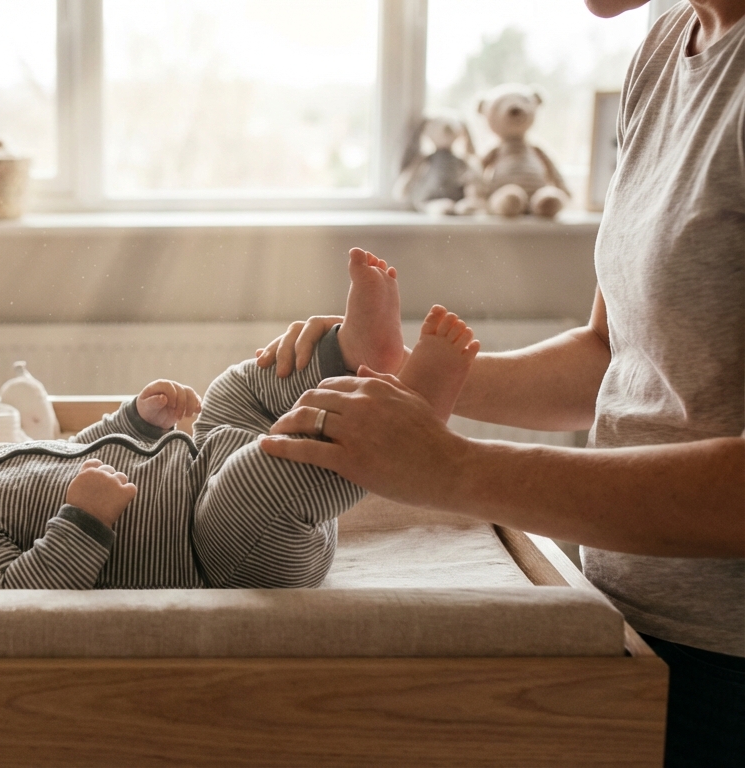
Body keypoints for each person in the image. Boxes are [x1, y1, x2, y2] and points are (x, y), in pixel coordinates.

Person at [255, 3, 744, 764]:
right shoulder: (666, 43)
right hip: (625, 620)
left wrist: (452, 468)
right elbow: (612, 358)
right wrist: (403, 372)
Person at [0, 252, 479, 590]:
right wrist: (83, 522)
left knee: (234, 391)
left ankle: (351, 355)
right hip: (225, 550)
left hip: (199, 467)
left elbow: (74, 452)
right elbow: (25, 600)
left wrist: (133, 416)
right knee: (267, 472)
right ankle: (407, 413)